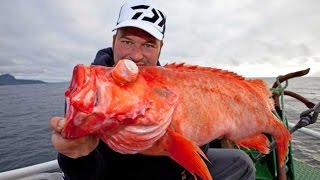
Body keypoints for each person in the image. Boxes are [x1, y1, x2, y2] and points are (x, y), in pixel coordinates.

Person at [50, 0, 255, 179]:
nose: (137, 55)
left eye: (148, 45)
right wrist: (77, 155)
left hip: (174, 172)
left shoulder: (171, 85)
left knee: (241, 162)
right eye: (127, 41)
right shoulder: (94, 91)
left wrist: (208, 125)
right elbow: (87, 174)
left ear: (160, 48)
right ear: (114, 41)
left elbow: (190, 149)